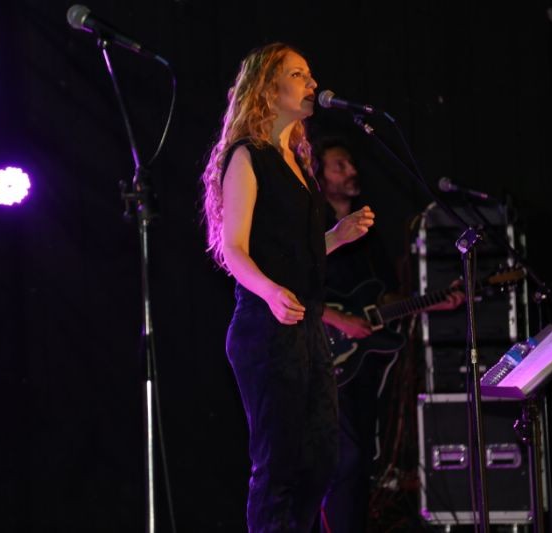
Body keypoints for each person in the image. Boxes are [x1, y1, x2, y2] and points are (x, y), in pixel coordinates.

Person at [200, 43, 376, 533]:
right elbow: (233, 248)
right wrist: (271, 291)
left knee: (321, 460)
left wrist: (336, 237)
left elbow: (293, 250)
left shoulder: (296, 161)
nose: (312, 83)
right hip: (265, 326)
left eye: (309, 74)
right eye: (298, 74)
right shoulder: (247, 156)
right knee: (278, 466)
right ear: (267, 88)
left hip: (306, 327)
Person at [314, 138, 465, 533]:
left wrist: (432, 302)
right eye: (339, 165)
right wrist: (340, 320)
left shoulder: (367, 232)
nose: (351, 171)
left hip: (361, 364)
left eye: (351, 163)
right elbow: (292, 287)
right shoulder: (312, 227)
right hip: (324, 356)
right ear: (318, 176)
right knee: (345, 458)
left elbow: (385, 297)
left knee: (363, 457)